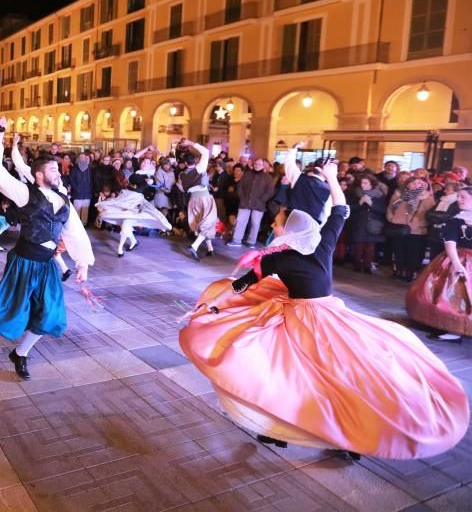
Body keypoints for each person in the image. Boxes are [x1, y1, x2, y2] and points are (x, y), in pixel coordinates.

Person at [179, 159, 468, 459]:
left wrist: (213, 305)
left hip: (302, 321)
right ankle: (329, 434)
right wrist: (331, 177)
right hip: (330, 314)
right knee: (336, 373)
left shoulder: (274, 259)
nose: (274, 225)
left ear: (288, 231)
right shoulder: (322, 244)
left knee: (290, 373)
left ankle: (293, 428)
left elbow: (241, 285)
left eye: (277, 223)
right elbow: (340, 209)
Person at [0, 118, 94, 382]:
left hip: (47, 264)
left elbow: (75, 230)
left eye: (58, 170)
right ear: (39, 175)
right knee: (6, 312)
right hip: (24, 262)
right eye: (53, 170)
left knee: (49, 315)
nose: (59, 174)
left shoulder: (62, 199)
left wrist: (83, 263)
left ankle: (20, 353)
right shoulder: (25, 193)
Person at [406, 186, 472, 341]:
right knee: (455, 295)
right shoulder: (456, 219)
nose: (459, 200)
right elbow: (450, 242)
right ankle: (454, 329)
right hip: (459, 257)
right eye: (458, 197)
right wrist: (456, 263)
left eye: (463, 197)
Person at [96, 181, 172, 257]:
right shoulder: (126, 194)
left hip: (134, 216)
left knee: (125, 227)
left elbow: (150, 210)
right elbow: (117, 202)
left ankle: (120, 249)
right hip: (126, 215)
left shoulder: (139, 197)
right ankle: (133, 242)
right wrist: (103, 204)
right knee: (125, 228)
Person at [177, 139, 217, 260]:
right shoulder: (199, 168)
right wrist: (191, 143)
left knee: (203, 223)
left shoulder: (181, 175)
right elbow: (205, 152)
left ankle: (210, 249)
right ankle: (194, 246)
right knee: (208, 222)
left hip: (193, 200)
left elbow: (182, 188)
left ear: (184, 162)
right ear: (195, 160)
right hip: (204, 198)